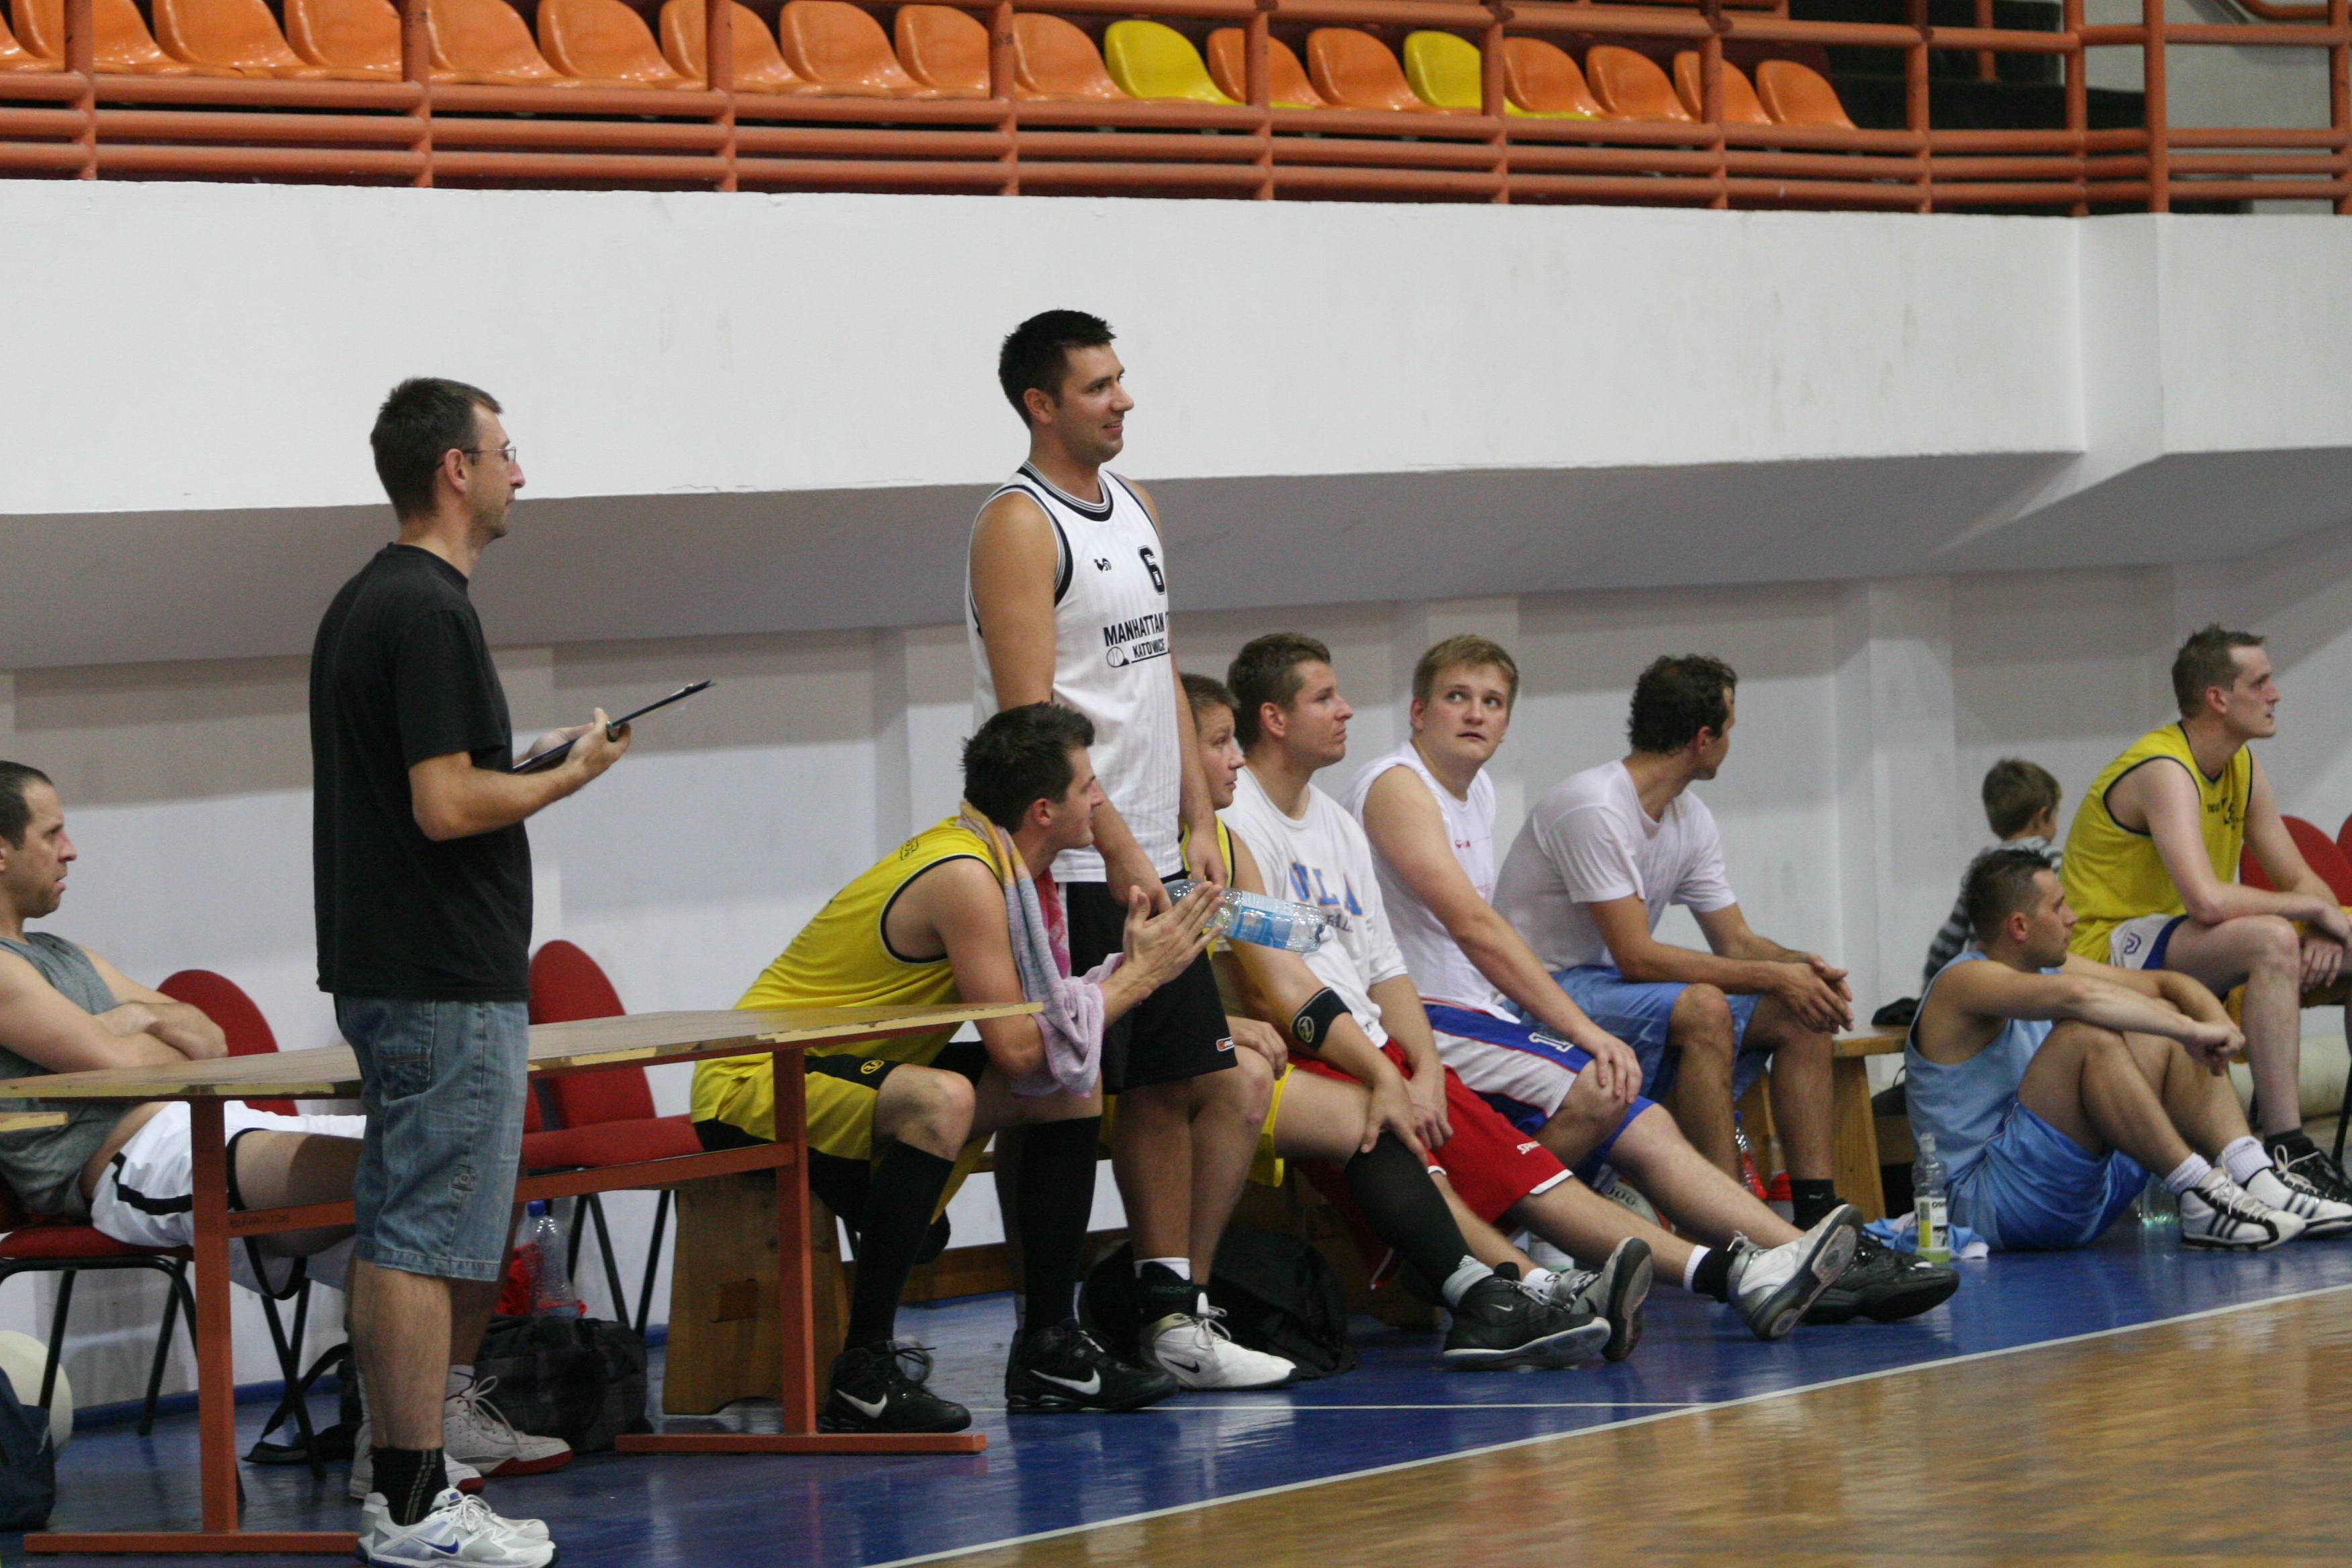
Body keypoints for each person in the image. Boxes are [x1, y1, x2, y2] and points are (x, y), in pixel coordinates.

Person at [1210, 642, 1862, 1344]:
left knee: (1541, 1161)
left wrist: (1418, 1067)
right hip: (1347, 1044)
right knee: (1554, 1113)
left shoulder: (1340, 822)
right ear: (1275, 718)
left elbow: (1380, 967)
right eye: (1325, 698)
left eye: (1492, 702)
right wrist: (1394, 1069)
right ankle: (1537, 1279)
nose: (1346, 710)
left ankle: (1747, 1265)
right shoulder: (1253, 822)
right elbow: (1288, 984)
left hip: (1394, 1032)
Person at [1347, 638, 1953, 1327]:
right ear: (1418, 711)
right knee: (1655, 1045)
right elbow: (1491, 930)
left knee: (1745, 1042)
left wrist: (1799, 970)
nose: (1475, 714)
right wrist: (1585, 1030)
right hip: (1466, 1005)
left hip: (1499, 1006)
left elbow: (1734, 940)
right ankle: (1749, 1248)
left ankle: (1805, 1239)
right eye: (1458, 697)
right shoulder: (1409, 785)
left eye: (1492, 702)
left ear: (1508, 721)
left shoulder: (1480, 792)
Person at [692, 704, 1216, 1427]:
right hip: (753, 1079)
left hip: (850, 1069)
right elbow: (1019, 1048)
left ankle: (1049, 1347)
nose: (1100, 801)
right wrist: (1140, 977)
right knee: (943, 1098)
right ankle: (864, 1370)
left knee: (1073, 1083)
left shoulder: (1003, 866)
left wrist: (1129, 976)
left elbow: (1048, 1046)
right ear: (1043, 810)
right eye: (1089, 786)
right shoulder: (966, 877)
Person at [313, 379, 629, 1567]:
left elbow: (437, 783)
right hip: (439, 969)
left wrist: (525, 764)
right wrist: (569, 776)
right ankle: (408, 1503)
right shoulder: (427, 609)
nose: (519, 473)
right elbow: (446, 806)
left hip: (405, 959)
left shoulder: (371, 599)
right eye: (506, 452)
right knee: (421, 1232)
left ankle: (404, 1466)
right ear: (456, 467)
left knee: (419, 1225)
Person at [965, 309, 1285, 1391]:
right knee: (1064, 1096)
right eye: (1098, 386)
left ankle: (1170, 1317)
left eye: (1121, 379)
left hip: (1155, 844)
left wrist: (1197, 818)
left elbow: (1158, 671)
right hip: (1071, 859)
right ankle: (1045, 1335)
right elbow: (1033, 720)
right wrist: (1114, 844)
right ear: (1041, 405)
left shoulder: (1137, 504)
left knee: (1175, 1084)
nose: (1124, 400)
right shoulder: (1018, 524)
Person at [1493, 655, 1849, 1224]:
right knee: (1703, 1006)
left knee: (1802, 1011)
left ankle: (1818, 1215)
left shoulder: (1689, 816)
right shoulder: (1594, 805)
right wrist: (1775, 974)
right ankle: (1734, 1226)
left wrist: (1805, 969)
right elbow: (1637, 958)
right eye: (1729, 729)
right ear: (1704, 739)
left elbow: (1736, 941)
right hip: (1538, 995)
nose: (1730, 742)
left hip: (1605, 990)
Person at [1910, 848, 2352, 1251]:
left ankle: (2254, 1174)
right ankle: (2200, 1192)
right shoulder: (1962, 980)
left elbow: (2169, 983)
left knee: (2159, 1023)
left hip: (2078, 1192)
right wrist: (2191, 1030)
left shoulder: (2043, 966)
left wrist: (2212, 1021)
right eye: (2059, 907)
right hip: (1992, 1205)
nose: (2072, 918)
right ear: (2020, 926)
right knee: (2085, 1037)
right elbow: (2079, 997)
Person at [2059, 624, 2352, 1200]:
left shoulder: (2243, 766)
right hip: (2107, 946)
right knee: (2272, 939)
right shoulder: (2164, 768)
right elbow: (2207, 899)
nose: (2276, 694)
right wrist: (2311, 912)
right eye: (2261, 682)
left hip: (2184, 939)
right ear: (2218, 698)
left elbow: (2298, 877)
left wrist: (2326, 925)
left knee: (2344, 939)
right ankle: (2287, 1146)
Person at [1923, 758, 2064, 991]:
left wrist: (1929, 989)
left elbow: (1947, 941)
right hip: (2033, 981)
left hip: (1984, 982)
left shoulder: (1984, 867)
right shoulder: (2050, 863)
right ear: (2042, 816)